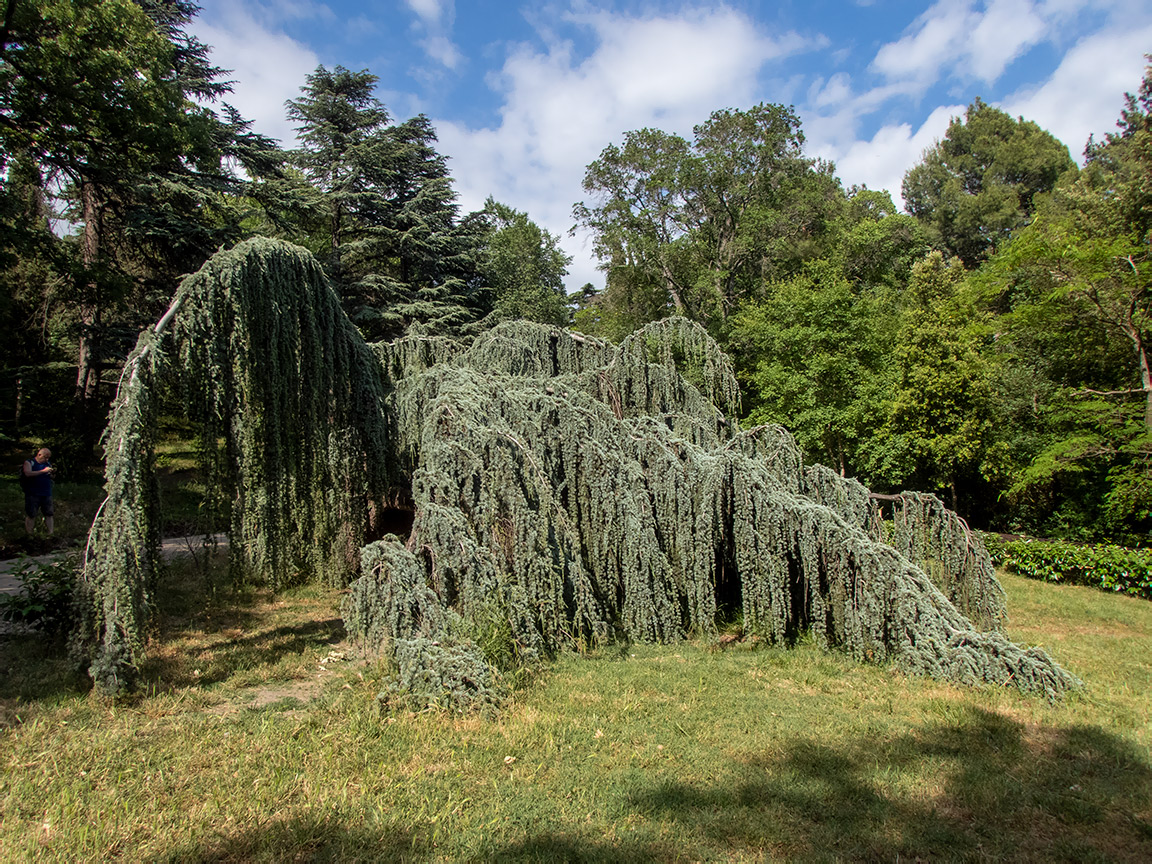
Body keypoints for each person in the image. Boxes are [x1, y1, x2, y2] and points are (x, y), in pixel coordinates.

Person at [23, 446, 55, 536]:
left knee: (49, 513)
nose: (46, 459)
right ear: (39, 454)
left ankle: (50, 533)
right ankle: (29, 534)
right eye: (45, 457)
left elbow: (50, 476)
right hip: (33, 493)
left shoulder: (48, 464)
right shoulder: (30, 462)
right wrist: (43, 471)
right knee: (31, 514)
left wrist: (51, 474)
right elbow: (28, 473)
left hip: (46, 493)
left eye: (48, 457)